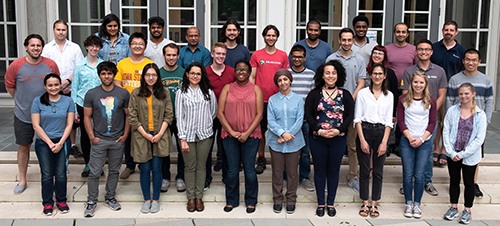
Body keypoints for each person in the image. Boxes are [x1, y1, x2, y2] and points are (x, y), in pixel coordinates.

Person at [5, 34, 60, 194]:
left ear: (42, 47)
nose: (35, 48)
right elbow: (10, 86)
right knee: (24, 146)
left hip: (47, 114)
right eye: (32, 45)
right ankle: (22, 179)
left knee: (51, 145)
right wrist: (21, 100)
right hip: (24, 114)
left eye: (38, 45)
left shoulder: (50, 64)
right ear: (26, 47)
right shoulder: (16, 65)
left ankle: (54, 178)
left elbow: (55, 86)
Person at [305, 60, 354, 217]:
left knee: (333, 171)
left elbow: (349, 116)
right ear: (322, 75)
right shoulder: (314, 94)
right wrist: (319, 130)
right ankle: (320, 203)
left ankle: (331, 203)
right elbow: (309, 115)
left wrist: (338, 130)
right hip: (318, 138)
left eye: (333, 72)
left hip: (338, 139)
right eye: (327, 73)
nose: (330, 75)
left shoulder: (345, 94)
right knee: (319, 171)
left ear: (338, 74)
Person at [83, 62, 130, 218]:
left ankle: (110, 197)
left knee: (114, 171)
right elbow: (87, 117)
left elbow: (128, 115)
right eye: (103, 73)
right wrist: (92, 137)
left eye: (109, 73)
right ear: (99, 75)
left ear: (114, 74)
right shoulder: (91, 94)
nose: (107, 76)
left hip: (117, 140)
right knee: (94, 172)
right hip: (99, 139)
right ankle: (91, 201)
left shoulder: (123, 93)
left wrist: (125, 135)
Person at [401, 39, 447, 197]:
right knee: (409, 151)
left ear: (432, 52)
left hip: (430, 118)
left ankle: (427, 180)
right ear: (416, 51)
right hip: (412, 119)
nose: (424, 52)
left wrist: (430, 110)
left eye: (427, 49)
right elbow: (404, 96)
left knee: (426, 153)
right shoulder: (409, 72)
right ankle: (408, 181)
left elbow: (441, 95)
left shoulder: (440, 71)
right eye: (420, 49)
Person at [445, 49, 493, 198]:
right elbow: (449, 101)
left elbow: (489, 102)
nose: (470, 62)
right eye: (467, 59)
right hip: (458, 123)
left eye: (474, 60)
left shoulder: (485, 80)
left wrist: (486, 121)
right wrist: (450, 120)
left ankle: (473, 182)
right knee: (456, 154)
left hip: (476, 125)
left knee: (474, 154)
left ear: (479, 62)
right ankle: (456, 184)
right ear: (463, 61)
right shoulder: (455, 79)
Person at [218, 60, 263, 214]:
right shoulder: (227, 88)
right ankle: (231, 200)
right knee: (231, 170)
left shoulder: (256, 89)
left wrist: (246, 133)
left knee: (249, 170)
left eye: (244, 70)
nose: (241, 72)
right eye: (238, 70)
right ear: (235, 72)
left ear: (249, 72)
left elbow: (259, 114)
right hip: (230, 136)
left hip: (251, 136)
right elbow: (220, 113)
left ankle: (251, 201)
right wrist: (231, 132)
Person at [325, 27, 366, 193]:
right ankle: (329, 176)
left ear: (353, 41)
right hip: (332, 108)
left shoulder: (360, 59)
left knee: (352, 145)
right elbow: (327, 81)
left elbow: (361, 83)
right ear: (339, 40)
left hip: (351, 108)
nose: (347, 43)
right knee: (331, 144)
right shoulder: (331, 58)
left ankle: (353, 176)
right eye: (344, 40)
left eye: (350, 40)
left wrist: (348, 101)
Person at [129, 63, 173, 214]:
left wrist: (160, 134)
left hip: (160, 135)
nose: (151, 78)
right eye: (148, 75)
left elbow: (169, 114)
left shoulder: (164, 92)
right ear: (144, 77)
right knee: (145, 169)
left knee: (157, 168)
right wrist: (146, 134)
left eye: (154, 75)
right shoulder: (136, 93)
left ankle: (155, 200)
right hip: (142, 136)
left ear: (158, 77)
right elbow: (133, 117)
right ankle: (146, 199)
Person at [442, 83, 487, 225]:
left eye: (467, 93)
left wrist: (463, 154)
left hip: (469, 156)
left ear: (473, 94)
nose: (463, 96)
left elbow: (479, 138)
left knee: (469, 183)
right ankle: (453, 207)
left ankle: (467, 209)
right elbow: (446, 131)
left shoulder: (480, 114)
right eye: (461, 94)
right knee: (454, 181)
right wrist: (450, 151)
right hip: (453, 153)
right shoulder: (452, 111)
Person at [175, 62, 217, 212]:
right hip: (188, 136)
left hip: (205, 135)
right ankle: (190, 197)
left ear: (202, 76)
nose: (195, 76)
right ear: (187, 74)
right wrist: (182, 139)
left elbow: (213, 113)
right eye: (192, 73)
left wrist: (204, 125)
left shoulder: (208, 92)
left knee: (201, 166)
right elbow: (179, 117)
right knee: (189, 166)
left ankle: (199, 197)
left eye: (198, 74)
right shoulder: (181, 93)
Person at [31, 74, 75, 215]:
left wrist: (60, 143)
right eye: (50, 85)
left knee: (61, 173)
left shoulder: (68, 101)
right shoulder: (37, 101)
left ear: (60, 85)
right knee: (47, 174)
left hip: (62, 141)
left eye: (56, 85)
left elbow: (69, 124)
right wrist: (50, 143)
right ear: (45, 86)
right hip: (44, 143)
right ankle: (48, 203)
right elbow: (36, 126)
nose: (53, 88)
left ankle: (61, 200)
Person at [430, 20, 467, 182]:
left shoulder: (461, 51)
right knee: (436, 120)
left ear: (456, 32)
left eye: (451, 30)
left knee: (449, 121)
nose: (448, 32)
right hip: (435, 90)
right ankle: (436, 148)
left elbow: (464, 71)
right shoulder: (435, 48)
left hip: (453, 92)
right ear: (442, 31)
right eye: (446, 30)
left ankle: (445, 148)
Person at [114, 32, 155, 179]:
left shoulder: (149, 64)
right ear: (129, 45)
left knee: (145, 135)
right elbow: (117, 83)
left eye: (141, 44)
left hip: (145, 106)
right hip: (126, 106)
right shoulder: (122, 63)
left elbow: (154, 84)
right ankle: (130, 165)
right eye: (134, 44)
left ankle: (146, 164)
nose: (137, 46)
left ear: (145, 46)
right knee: (128, 136)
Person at [250, 24, 290, 174]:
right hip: (261, 101)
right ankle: (261, 157)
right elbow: (252, 77)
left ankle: (279, 158)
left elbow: (286, 77)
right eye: (268, 35)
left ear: (277, 37)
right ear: (264, 37)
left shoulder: (282, 56)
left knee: (279, 130)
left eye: (273, 35)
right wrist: (253, 96)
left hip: (278, 101)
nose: (271, 38)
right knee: (260, 131)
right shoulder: (256, 55)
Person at [355, 64, 393, 217]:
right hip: (364, 130)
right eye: (374, 73)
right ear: (370, 75)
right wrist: (362, 140)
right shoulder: (363, 94)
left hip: (381, 132)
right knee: (364, 169)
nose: (377, 76)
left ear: (384, 76)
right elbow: (357, 118)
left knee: (378, 170)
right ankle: (365, 202)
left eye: (380, 74)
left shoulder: (389, 95)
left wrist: (384, 142)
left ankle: (375, 203)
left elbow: (389, 121)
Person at [41, 20, 84, 158]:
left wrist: (67, 82)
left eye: (63, 30)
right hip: (53, 88)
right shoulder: (47, 48)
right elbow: (45, 68)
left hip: (71, 87)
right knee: (57, 116)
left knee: (72, 118)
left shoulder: (74, 47)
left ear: (67, 30)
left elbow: (79, 67)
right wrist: (57, 86)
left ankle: (71, 145)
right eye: (58, 29)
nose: (61, 32)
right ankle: (56, 142)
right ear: (54, 30)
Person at [398, 70, 437, 219]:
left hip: (424, 142)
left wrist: (421, 139)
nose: (418, 85)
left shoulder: (431, 101)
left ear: (425, 84)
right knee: (408, 174)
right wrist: (409, 137)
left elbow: (432, 122)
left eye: (421, 82)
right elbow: (401, 121)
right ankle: (408, 203)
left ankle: (417, 204)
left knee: (419, 175)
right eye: (415, 82)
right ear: (411, 83)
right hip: (407, 141)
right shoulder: (403, 99)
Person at [267, 69, 305, 214]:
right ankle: (277, 199)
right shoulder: (272, 100)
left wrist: (288, 135)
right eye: (280, 80)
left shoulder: (298, 99)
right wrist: (282, 133)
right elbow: (270, 120)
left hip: (294, 142)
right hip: (276, 141)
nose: (283, 82)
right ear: (277, 83)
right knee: (277, 172)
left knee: (292, 173)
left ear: (290, 80)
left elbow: (300, 120)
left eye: (285, 79)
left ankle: (291, 200)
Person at [71, 35, 104, 177]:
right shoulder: (79, 66)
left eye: (97, 46)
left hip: (99, 105)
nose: (94, 48)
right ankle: (87, 164)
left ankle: (98, 165)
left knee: (99, 135)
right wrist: (74, 110)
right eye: (91, 46)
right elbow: (74, 87)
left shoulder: (103, 65)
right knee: (85, 135)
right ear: (86, 47)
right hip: (81, 103)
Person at [206, 42, 235, 187]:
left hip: (226, 116)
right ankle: (206, 178)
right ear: (212, 54)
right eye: (218, 53)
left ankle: (226, 176)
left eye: (223, 54)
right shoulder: (205, 72)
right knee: (207, 148)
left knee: (225, 148)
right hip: (208, 116)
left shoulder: (231, 72)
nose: (220, 56)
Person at [287, 44, 315, 191]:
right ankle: (287, 177)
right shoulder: (286, 73)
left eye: (300, 57)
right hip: (287, 121)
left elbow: (311, 99)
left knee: (305, 152)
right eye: (294, 56)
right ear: (291, 57)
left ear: (304, 58)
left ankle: (304, 177)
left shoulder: (311, 75)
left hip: (304, 121)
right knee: (287, 150)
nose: (297, 59)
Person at [160, 43, 187, 193]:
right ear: (164, 56)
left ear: (178, 56)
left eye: (174, 55)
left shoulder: (184, 73)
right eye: (168, 55)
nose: (171, 58)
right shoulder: (158, 73)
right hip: (163, 119)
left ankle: (180, 177)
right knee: (164, 149)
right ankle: (165, 177)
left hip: (181, 118)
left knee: (183, 149)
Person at [366, 45, 399, 120]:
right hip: (367, 107)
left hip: (384, 109)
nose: (377, 55)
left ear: (384, 57)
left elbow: (394, 93)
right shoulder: (365, 71)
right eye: (375, 53)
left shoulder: (390, 73)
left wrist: (393, 114)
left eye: (380, 54)